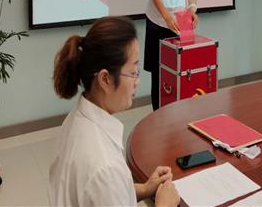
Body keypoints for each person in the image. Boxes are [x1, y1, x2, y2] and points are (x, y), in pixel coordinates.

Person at [48, 16, 180, 207]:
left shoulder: (75, 120)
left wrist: (144, 189)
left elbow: (105, 195)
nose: (137, 81)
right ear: (105, 79)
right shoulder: (105, 167)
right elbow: (106, 186)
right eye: (133, 72)